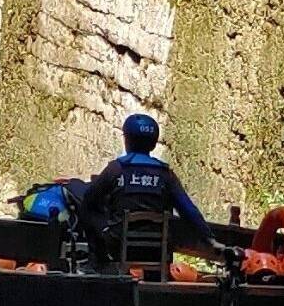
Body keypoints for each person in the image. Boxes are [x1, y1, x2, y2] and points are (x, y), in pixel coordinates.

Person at [78, 112, 213, 265]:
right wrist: (210, 239)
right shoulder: (166, 174)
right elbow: (188, 211)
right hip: (158, 251)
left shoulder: (116, 169)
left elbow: (89, 200)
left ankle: (99, 264)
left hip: (118, 246)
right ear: (154, 143)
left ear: (127, 140)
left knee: (86, 209)